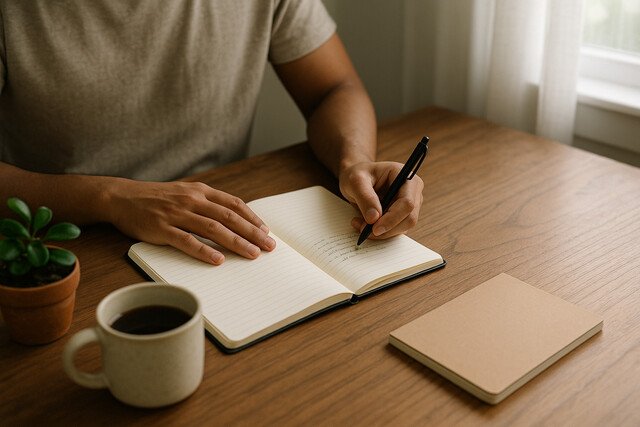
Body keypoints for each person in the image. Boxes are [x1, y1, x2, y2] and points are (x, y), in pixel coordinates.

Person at [0, 1, 423, 265]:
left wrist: (354, 162)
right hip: (57, 251)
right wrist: (111, 199)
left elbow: (333, 89)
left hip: (220, 233)